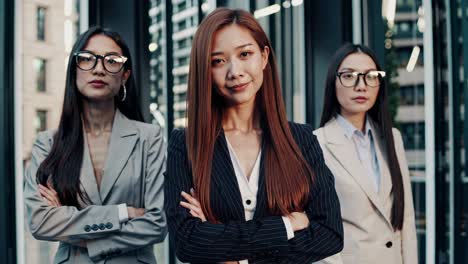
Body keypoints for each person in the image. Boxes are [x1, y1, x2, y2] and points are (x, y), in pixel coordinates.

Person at [164, 8, 343, 264]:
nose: (234, 71)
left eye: (245, 54)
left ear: (264, 56)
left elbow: (330, 234)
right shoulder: (185, 144)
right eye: (218, 61)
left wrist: (232, 255)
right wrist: (288, 224)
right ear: (205, 70)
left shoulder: (301, 139)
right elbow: (188, 242)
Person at [24, 26, 167, 264]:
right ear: (74, 69)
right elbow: (40, 222)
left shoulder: (149, 138)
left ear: (125, 75)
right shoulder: (47, 144)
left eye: (111, 61)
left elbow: (157, 223)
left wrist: (75, 229)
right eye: (87, 59)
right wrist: (124, 213)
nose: (99, 68)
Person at [313, 43, 418, 264]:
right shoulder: (316, 143)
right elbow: (315, 227)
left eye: (371, 76)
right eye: (349, 76)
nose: (361, 86)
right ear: (334, 82)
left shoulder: (392, 138)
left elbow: (405, 220)